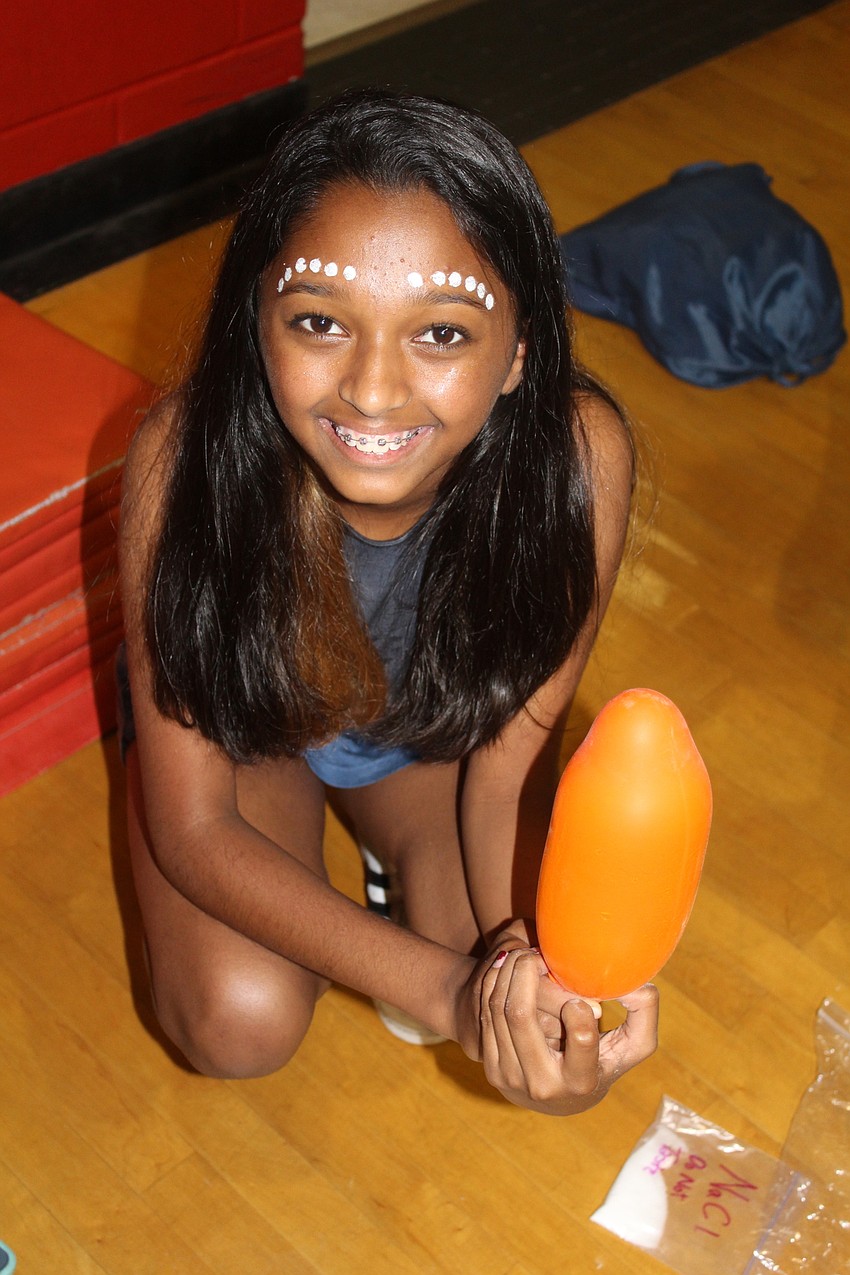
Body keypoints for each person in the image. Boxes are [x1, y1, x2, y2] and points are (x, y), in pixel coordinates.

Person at [118, 88, 659, 1115]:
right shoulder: (181, 461)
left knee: (547, 1048)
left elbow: (506, 769)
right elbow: (192, 826)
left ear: (520, 356)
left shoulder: (577, 459)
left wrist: (528, 988)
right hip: (247, 734)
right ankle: (349, 881)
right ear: (256, 323)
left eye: (442, 335)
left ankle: (382, 846)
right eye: (319, 322)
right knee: (239, 1018)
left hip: (428, 749)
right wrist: (452, 991)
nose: (371, 390)